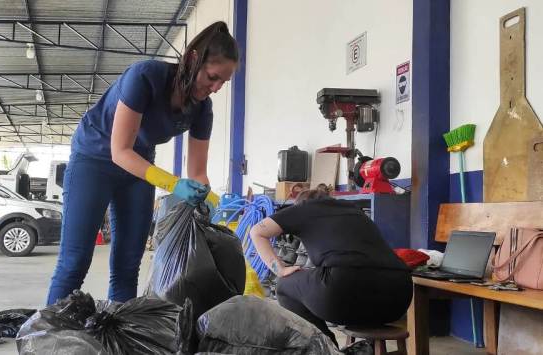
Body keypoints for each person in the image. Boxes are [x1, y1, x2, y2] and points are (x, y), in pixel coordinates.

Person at [47, 21, 238, 305]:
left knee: (127, 266)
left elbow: (197, 172)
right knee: (74, 261)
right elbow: (120, 151)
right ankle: (45, 338)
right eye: (213, 77)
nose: (217, 87)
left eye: (224, 82)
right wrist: (173, 185)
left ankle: (124, 336)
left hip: (138, 169)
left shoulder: (202, 108)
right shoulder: (146, 76)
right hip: (95, 158)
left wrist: (206, 198)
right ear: (193, 60)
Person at [249, 186, 413, 346]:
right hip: (398, 298)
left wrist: (280, 269)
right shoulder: (354, 211)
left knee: (284, 285)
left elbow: (257, 232)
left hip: (345, 289)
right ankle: (367, 348)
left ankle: (326, 347)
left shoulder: (304, 208)